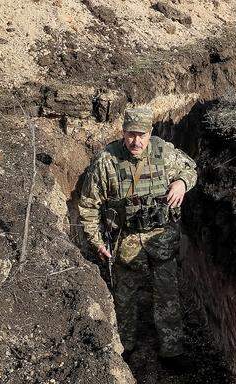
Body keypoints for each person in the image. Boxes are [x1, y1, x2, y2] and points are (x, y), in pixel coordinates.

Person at [77, 107, 197, 367]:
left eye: (141, 135)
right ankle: (125, 347)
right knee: (124, 297)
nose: (136, 142)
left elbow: (190, 169)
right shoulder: (106, 161)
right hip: (126, 240)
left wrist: (181, 183)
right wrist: (96, 241)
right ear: (123, 133)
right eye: (131, 135)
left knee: (167, 294)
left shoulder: (163, 152)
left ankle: (172, 350)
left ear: (150, 133)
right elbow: (88, 205)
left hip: (161, 237)